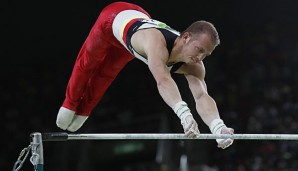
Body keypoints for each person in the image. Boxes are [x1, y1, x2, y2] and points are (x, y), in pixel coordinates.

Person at [56, 1, 234, 149]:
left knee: (106, 73)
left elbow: (202, 96)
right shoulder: (155, 42)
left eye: (206, 55)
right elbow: (163, 80)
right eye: (199, 50)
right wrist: (185, 115)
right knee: (88, 63)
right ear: (186, 36)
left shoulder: (195, 66)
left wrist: (217, 126)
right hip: (112, 20)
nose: (200, 58)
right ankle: (70, 104)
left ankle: (84, 110)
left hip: (134, 37)